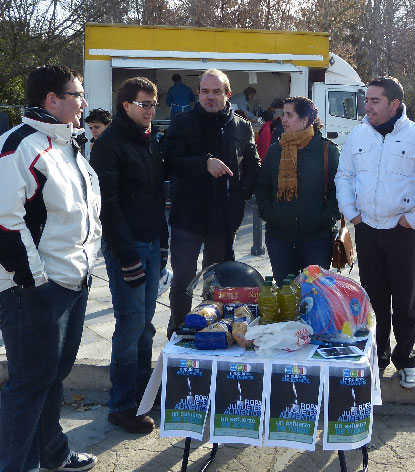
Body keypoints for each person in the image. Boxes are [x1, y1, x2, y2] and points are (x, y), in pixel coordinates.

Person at [0, 65, 101, 472]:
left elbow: (79, 215)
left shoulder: (69, 145)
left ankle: (51, 453)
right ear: (52, 99)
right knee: (30, 381)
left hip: (70, 281)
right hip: (29, 288)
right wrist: (36, 283)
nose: (84, 102)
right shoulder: (18, 146)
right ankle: (13, 471)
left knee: (52, 375)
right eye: (77, 94)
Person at [335, 77, 415, 389]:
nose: (367, 107)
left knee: (405, 300)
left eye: (375, 101)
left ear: (395, 104)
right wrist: (351, 212)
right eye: (366, 101)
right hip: (367, 229)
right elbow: (345, 175)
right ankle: (377, 356)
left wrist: (413, 219)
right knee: (373, 299)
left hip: (401, 232)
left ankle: (406, 359)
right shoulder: (357, 135)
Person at [90, 77, 167, 434]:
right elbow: (109, 206)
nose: (151, 111)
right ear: (126, 105)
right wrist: (126, 256)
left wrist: (162, 246)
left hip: (151, 242)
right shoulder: (109, 144)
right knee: (130, 325)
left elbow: (156, 198)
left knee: (146, 325)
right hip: (128, 247)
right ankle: (121, 404)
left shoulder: (150, 141)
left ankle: (142, 393)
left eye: (154, 105)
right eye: (144, 105)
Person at [164, 68, 260, 339]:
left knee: (217, 283)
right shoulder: (182, 123)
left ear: (227, 94)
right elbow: (169, 162)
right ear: (198, 94)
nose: (210, 97)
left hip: (223, 219)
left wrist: (241, 196)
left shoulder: (241, 126)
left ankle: (212, 331)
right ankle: (179, 333)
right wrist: (203, 163)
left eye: (216, 92)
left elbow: (253, 164)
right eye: (205, 91)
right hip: (187, 218)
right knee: (183, 281)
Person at [256, 96, 340, 286]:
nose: (283, 119)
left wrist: (325, 217)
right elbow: (263, 187)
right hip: (280, 238)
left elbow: (339, 190)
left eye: (289, 115)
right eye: (283, 114)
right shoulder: (276, 150)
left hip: (316, 239)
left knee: (315, 293)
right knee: (286, 294)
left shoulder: (328, 150)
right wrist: (270, 214)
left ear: (305, 119)